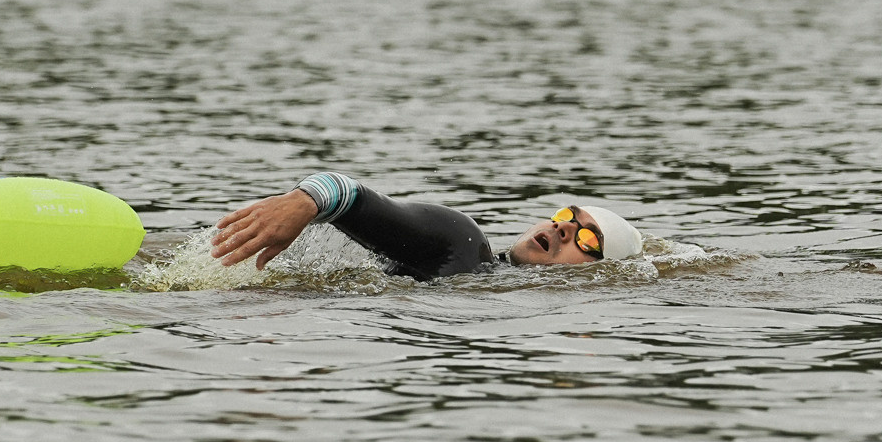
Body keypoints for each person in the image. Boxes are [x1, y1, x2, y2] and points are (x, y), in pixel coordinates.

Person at [211, 172, 645, 281]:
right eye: (567, 216)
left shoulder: (481, 277)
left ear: (601, 273)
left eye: (587, 238)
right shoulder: (463, 242)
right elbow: (350, 194)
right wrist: (304, 201)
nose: (565, 229)